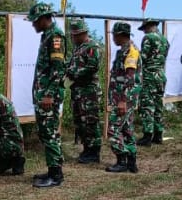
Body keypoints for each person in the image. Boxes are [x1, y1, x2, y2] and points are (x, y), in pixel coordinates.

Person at [27, 2, 66, 188]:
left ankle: (56, 175)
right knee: (47, 133)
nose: (33, 24)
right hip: (43, 94)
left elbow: (58, 69)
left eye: (35, 21)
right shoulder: (47, 36)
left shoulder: (55, 37)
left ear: (44, 19)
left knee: (49, 133)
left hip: (48, 96)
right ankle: (53, 170)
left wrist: (49, 94)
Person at [65, 18, 103, 164]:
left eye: (75, 35)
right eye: (72, 35)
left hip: (89, 92)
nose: (73, 37)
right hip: (78, 91)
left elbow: (92, 67)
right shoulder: (78, 47)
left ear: (83, 33)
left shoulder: (92, 46)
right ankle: (87, 149)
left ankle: (94, 152)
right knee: (80, 122)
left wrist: (74, 73)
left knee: (90, 122)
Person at [107, 22, 141, 173]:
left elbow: (130, 78)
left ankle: (122, 160)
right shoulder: (122, 51)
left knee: (113, 129)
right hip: (121, 98)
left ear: (121, 35)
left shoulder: (131, 52)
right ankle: (132, 162)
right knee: (126, 129)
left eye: (114, 35)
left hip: (124, 99)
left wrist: (122, 101)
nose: (113, 38)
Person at [136, 18, 170, 146]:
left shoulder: (148, 38)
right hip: (160, 75)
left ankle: (147, 135)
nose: (144, 32)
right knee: (158, 105)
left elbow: (143, 58)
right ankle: (158, 134)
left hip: (150, 76)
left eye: (144, 29)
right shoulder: (164, 40)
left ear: (149, 27)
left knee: (147, 105)